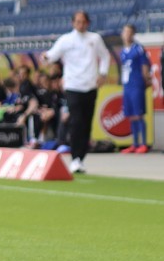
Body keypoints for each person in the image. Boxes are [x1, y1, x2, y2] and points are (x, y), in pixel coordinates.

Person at [41, 10, 110, 173]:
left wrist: (103, 73)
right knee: (76, 121)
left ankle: (81, 157)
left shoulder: (95, 39)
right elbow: (52, 54)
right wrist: (45, 57)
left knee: (86, 123)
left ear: (87, 23)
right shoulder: (66, 40)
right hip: (73, 86)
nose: (80, 24)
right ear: (73, 23)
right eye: (77, 21)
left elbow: (105, 56)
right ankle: (74, 157)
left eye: (83, 21)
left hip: (90, 85)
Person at [119, 24, 152, 153]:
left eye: (129, 32)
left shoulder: (138, 49)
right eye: (125, 32)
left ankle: (143, 143)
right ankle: (135, 143)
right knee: (131, 115)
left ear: (133, 34)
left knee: (138, 114)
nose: (126, 34)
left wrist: (146, 80)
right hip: (127, 86)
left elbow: (145, 66)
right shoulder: (122, 51)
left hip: (136, 85)